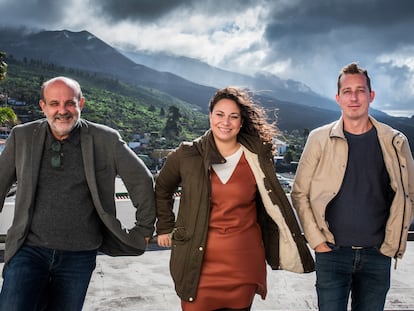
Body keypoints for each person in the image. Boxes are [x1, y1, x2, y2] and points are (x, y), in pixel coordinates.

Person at [0, 76, 156, 311]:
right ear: (43, 106)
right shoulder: (22, 137)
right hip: (28, 250)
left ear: (81, 104)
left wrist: (144, 228)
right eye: (54, 104)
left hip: (79, 256)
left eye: (70, 103)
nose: (62, 111)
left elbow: (141, 180)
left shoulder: (106, 139)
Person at [155, 86, 315, 311]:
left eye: (233, 116)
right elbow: (162, 188)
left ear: (241, 122)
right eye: (219, 114)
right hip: (196, 265)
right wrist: (164, 226)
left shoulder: (256, 157)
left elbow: (272, 202)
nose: (226, 122)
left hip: (243, 264)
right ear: (210, 116)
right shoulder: (187, 155)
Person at [291, 62, 414, 311]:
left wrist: (390, 244)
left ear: (371, 95)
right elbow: (299, 193)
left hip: (377, 255)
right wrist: (317, 242)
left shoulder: (394, 141)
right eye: (347, 91)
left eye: (360, 90)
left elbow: (408, 193)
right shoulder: (318, 139)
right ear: (338, 98)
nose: (354, 97)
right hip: (331, 253)